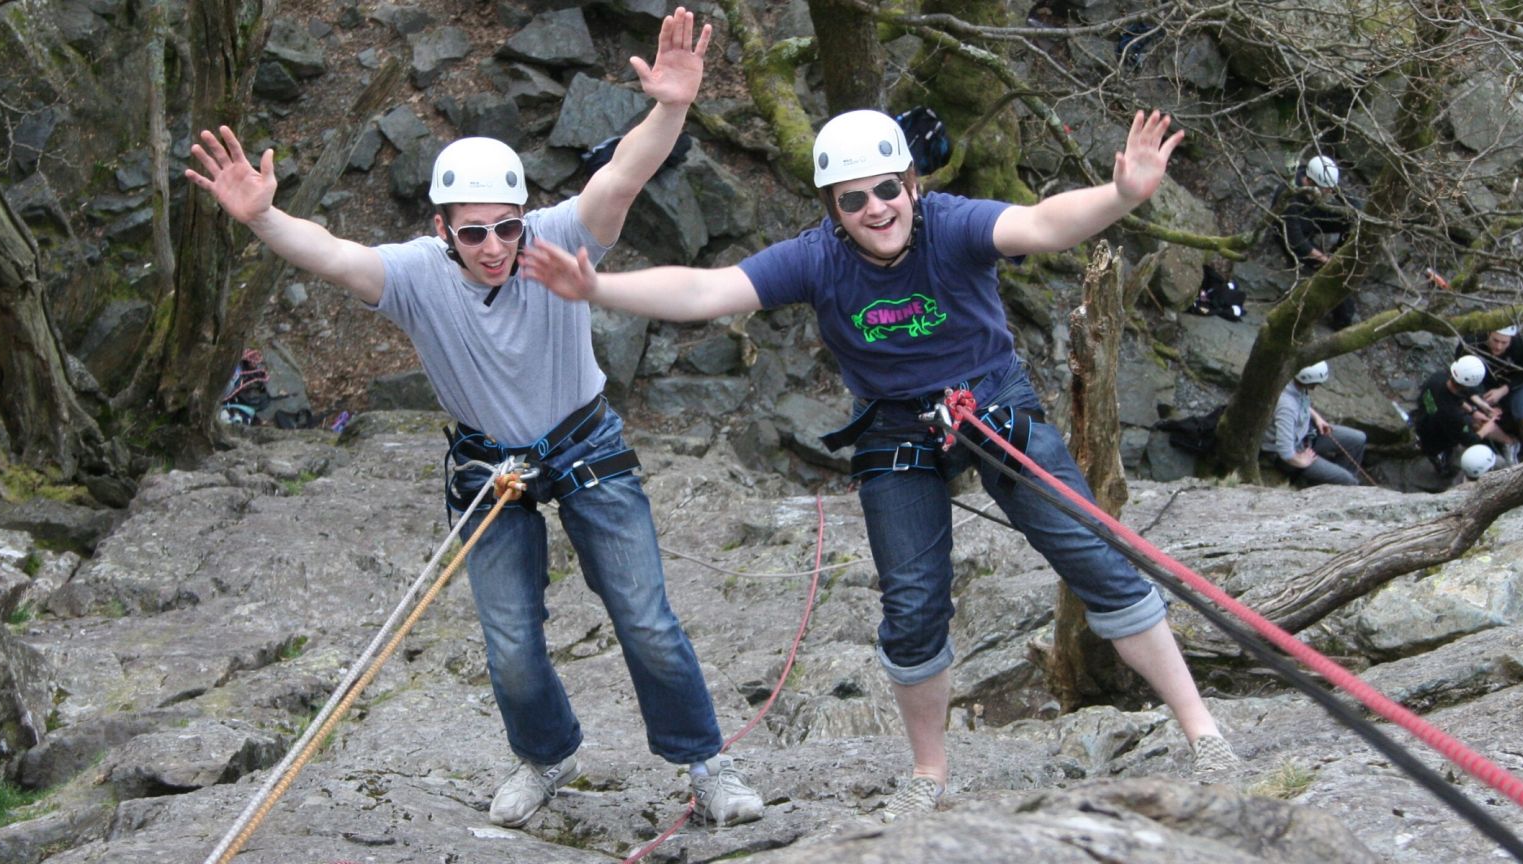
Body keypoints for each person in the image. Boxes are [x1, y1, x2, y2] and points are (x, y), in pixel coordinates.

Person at [521, 107, 1240, 821]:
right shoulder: (817, 258)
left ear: (912, 184)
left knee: (1091, 553)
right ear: (834, 208)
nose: (876, 208)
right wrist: (598, 290)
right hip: (897, 427)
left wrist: (1120, 196)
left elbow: (1040, 225)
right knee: (913, 602)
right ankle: (929, 771)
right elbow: (711, 290)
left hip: (989, 403)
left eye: (888, 189)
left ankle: (1202, 731)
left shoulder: (953, 226)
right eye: (854, 198)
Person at [184, 8, 765, 830]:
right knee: (511, 643)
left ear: (525, 216)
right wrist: (263, 218)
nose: (495, 247)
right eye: (474, 233)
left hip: (584, 441)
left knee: (644, 615)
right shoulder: (417, 276)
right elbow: (333, 253)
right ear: (441, 230)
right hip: (487, 465)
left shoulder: (558, 238)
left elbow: (620, 179)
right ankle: (547, 753)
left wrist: (669, 108)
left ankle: (704, 759)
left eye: (506, 226)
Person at [1278, 155, 1359, 327]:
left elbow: (1350, 203)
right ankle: (1342, 320)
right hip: (1291, 236)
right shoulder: (1289, 200)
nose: (1329, 192)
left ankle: (1341, 252)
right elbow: (1297, 242)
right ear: (1308, 182)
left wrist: (1357, 213)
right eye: (1325, 189)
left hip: (1313, 215)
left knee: (1351, 219)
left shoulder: (1317, 176)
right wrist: (1327, 262)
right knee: (1334, 276)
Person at [1262, 361, 1367, 485]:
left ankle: (1338, 482)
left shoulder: (1292, 383)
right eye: (1316, 383)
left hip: (1305, 435)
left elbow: (1299, 404)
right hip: (1292, 453)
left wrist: (1317, 418)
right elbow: (1285, 451)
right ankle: (1345, 484)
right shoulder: (1286, 406)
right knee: (1347, 480)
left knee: (1358, 439)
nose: (1317, 386)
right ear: (1310, 382)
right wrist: (1301, 461)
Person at [1412, 355, 1514, 482]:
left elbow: (1453, 397)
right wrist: (1487, 428)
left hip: (1424, 419)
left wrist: (1473, 411)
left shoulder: (1438, 378)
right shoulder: (1453, 415)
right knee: (1439, 456)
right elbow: (1469, 440)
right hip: (1437, 439)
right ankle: (1443, 469)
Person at [1457, 324, 1523, 459]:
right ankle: (1510, 443)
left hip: (1512, 385)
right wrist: (1481, 401)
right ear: (1488, 333)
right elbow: (1463, 373)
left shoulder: (1521, 346)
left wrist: (1504, 389)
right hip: (1480, 386)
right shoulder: (1471, 342)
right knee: (1476, 421)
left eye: (1504, 342)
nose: (1499, 347)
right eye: (1495, 340)